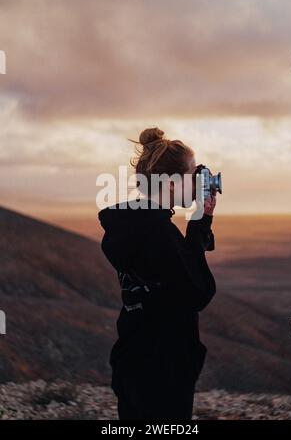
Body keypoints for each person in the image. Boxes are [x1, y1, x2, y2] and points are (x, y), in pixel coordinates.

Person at [98, 127, 217, 420]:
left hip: (134, 356)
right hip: (163, 367)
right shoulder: (159, 233)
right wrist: (199, 224)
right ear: (173, 184)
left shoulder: (130, 224)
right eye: (193, 173)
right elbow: (197, 293)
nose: (200, 180)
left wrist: (200, 221)